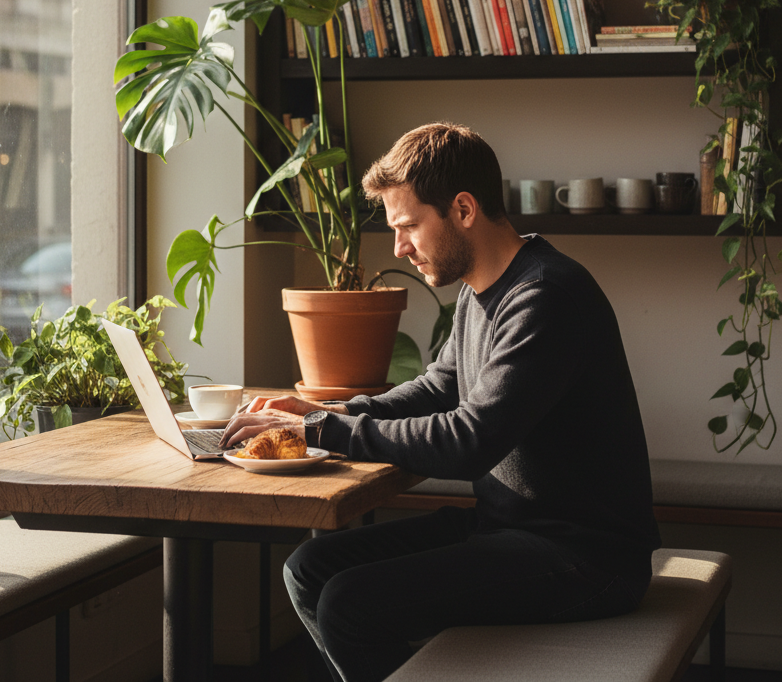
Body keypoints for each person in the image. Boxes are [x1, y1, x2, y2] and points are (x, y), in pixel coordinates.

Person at [221, 122, 660, 682]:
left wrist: (322, 434)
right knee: (310, 568)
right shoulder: (481, 293)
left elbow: (470, 440)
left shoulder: (547, 295)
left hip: (585, 558)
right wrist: (329, 413)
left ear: (464, 209)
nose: (399, 247)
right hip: (509, 530)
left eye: (407, 226)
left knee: (350, 603)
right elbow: (436, 388)